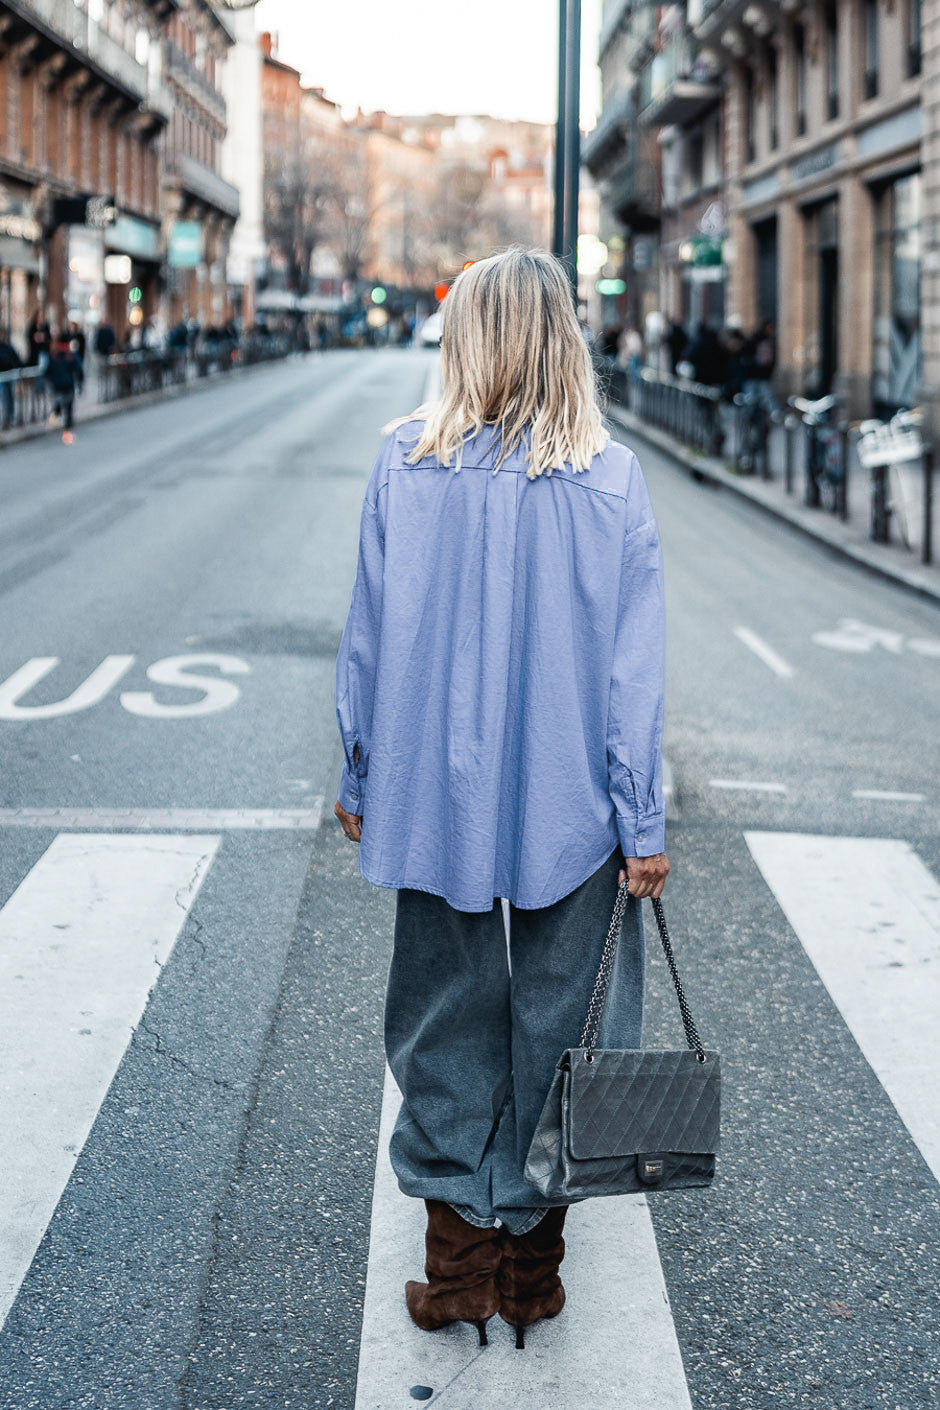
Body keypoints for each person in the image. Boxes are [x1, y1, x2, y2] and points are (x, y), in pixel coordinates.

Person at [333, 249, 669, 1348]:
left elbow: (369, 643)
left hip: (434, 800)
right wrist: (643, 821)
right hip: (573, 806)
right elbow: (633, 675)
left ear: (464, 339)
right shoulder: (611, 478)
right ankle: (533, 1270)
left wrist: (362, 775)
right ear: (564, 338)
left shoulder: (401, 461)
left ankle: (459, 1266)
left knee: (441, 1023)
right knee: (567, 1029)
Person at [46, 336, 80, 441]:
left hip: (57, 386)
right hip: (68, 385)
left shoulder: (54, 355)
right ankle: (67, 430)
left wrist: (51, 380)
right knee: (68, 407)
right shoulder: (70, 355)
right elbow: (78, 368)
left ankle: (54, 418)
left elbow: (48, 371)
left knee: (59, 403)